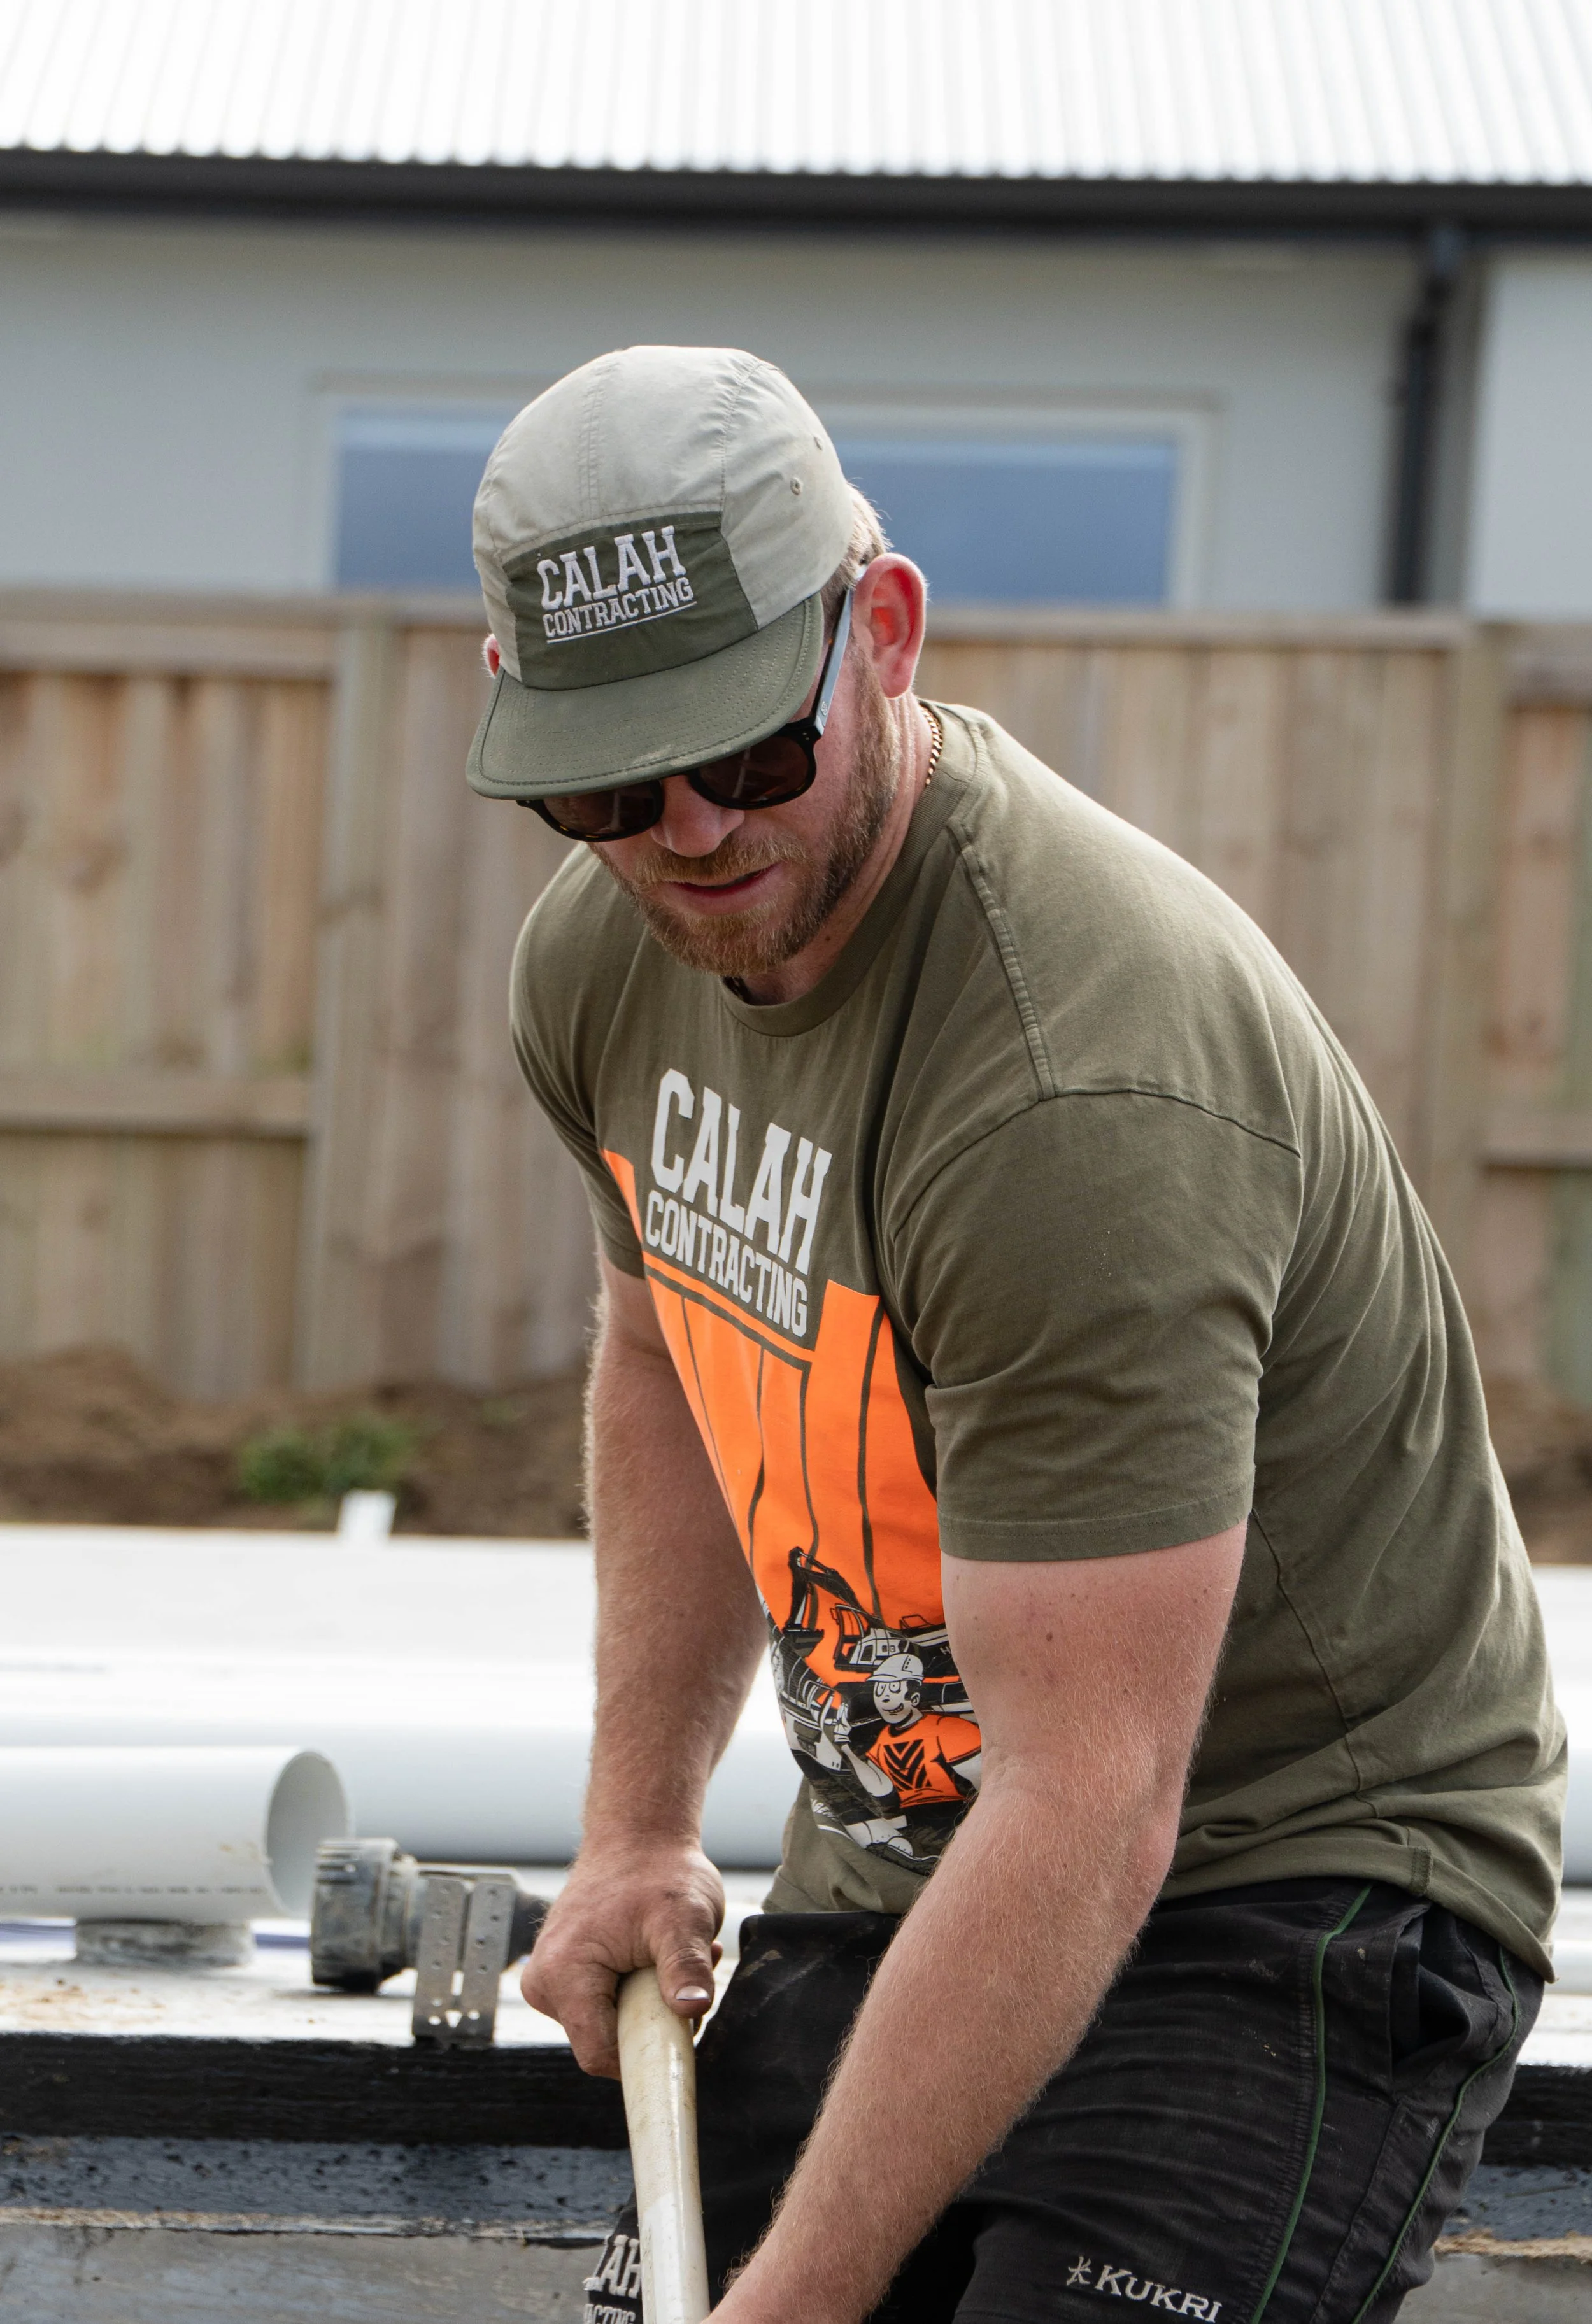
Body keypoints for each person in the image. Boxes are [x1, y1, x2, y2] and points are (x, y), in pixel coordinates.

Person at [466, 345, 1563, 2324]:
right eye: (609, 784)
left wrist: (796, 2305)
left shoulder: (1073, 1096)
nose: (690, 831)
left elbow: (1091, 1797)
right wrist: (633, 1831)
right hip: (911, 1848)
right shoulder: (608, 957)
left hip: (1284, 1880)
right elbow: (670, 1358)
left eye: (750, 752)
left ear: (880, 633)